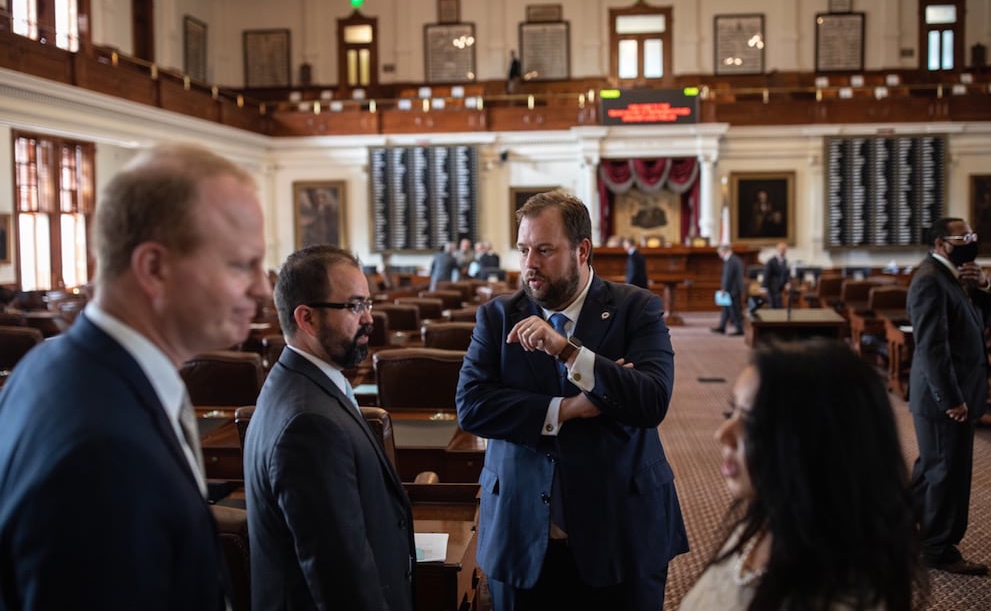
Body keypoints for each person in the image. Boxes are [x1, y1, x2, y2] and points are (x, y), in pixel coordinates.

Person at [0, 143, 271, 608]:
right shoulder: (103, 450)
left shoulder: (52, 363)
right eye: (242, 264)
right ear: (154, 268)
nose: (263, 287)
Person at [456, 190, 688, 611]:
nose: (529, 264)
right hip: (521, 531)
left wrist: (569, 352)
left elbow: (652, 400)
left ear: (582, 250)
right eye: (524, 249)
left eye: (544, 250)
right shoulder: (497, 317)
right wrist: (567, 408)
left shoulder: (637, 308)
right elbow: (472, 406)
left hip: (620, 530)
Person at [680, 340, 926, 611]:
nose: (722, 434)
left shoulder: (840, 595)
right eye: (732, 411)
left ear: (815, 441)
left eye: (751, 422)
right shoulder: (767, 522)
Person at [243, 245, 416, 610]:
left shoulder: (295, 381)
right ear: (306, 319)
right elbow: (340, 578)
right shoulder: (309, 424)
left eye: (368, 303)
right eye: (354, 306)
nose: (369, 318)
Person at [907, 217, 991, 575]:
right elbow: (932, 348)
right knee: (947, 472)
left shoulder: (953, 275)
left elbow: (979, 326)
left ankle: (896, 526)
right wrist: (951, 400)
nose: (972, 240)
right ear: (942, 242)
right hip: (944, 397)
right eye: (964, 237)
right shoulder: (930, 280)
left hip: (955, 391)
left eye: (973, 233)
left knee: (932, 468)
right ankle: (938, 549)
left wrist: (985, 289)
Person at [712, 243, 744, 335]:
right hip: (734, 288)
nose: (719, 255)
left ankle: (740, 329)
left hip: (732, 289)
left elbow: (728, 277)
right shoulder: (735, 259)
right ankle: (722, 327)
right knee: (726, 309)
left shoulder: (731, 260)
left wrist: (724, 289)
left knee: (735, 310)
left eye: (719, 252)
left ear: (724, 251)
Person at [760, 241, 790, 308]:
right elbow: (766, 274)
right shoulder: (771, 261)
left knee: (779, 306)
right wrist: (763, 287)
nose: (783, 251)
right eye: (782, 249)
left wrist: (787, 283)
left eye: (785, 249)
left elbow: (785, 274)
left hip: (780, 288)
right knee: (773, 306)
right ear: (778, 250)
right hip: (772, 288)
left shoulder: (785, 261)